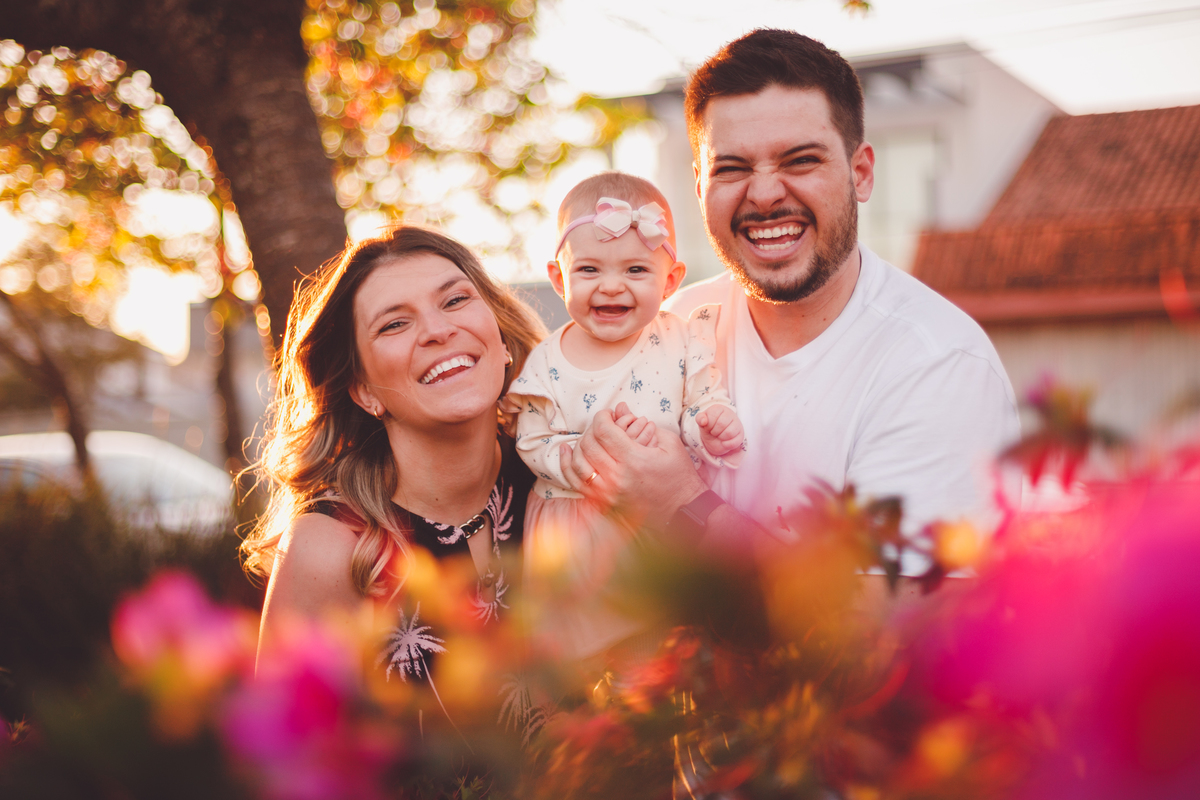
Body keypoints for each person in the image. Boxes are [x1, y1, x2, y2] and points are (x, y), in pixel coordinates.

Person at [556, 29, 1021, 574]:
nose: (765, 194)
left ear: (861, 173)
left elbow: (880, 631)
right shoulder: (670, 326)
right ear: (700, 184)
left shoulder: (935, 365)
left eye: (800, 160)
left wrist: (681, 503)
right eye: (731, 168)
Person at [242, 226, 547, 731]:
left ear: (499, 336)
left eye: (454, 300)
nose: (436, 330)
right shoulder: (332, 546)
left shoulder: (563, 482)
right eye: (394, 324)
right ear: (363, 390)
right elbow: (285, 757)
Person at [505, 171, 744, 658]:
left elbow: (699, 399)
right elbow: (530, 436)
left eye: (636, 271)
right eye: (589, 271)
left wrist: (711, 424)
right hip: (577, 526)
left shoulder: (680, 339)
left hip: (657, 517)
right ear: (559, 278)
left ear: (671, 279)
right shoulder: (548, 360)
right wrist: (570, 456)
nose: (611, 287)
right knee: (582, 650)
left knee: (667, 644)